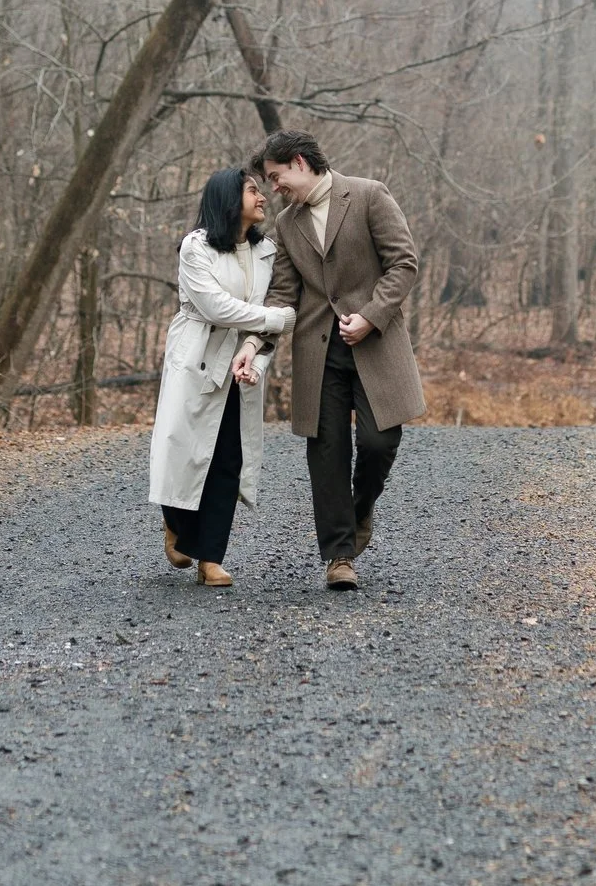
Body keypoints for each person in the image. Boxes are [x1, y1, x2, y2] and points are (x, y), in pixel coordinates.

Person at [256, 130, 424, 591]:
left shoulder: (369, 195)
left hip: (375, 343)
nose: (274, 187)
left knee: (378, 442)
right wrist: (256, 341)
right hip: (317, 351)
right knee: (327, 453)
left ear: (299, 162)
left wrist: (371, 316)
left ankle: (360, 508)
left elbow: (403, 263)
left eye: (276, 176)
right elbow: (283, 293)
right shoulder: (286, 224)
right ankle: (339, 556)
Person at [148, 167, 292, 588]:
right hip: (196, 357)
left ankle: (210, 558)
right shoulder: (195, 248)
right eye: (252, 190)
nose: (262, 197)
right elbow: (216, 307)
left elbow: (271, 311)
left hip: (239, 363)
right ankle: (175, 523)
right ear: (229, 198)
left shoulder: (266, 251)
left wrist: (257, 356)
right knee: (183, 448)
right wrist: (274, 319)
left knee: (228, 457)